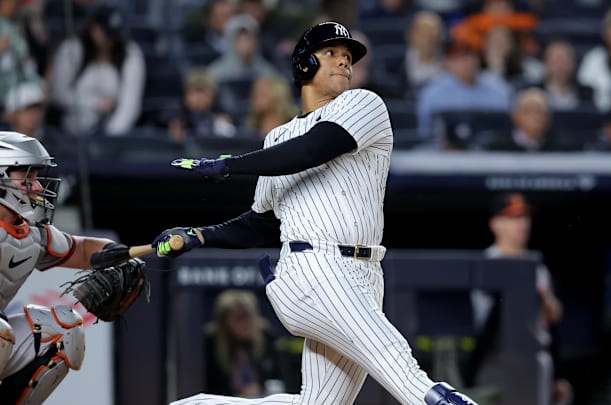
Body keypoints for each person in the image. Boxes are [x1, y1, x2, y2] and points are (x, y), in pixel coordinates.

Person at [153, 21, 479, 405]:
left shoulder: (364, 104)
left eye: (347, 57)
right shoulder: (275, 139)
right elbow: (262, 220)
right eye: (331, 54)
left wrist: (231, 165)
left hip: (365, 275)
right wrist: (200, 235)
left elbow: (313, 148)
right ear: (304, 65)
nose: (343, 63)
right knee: (407, 375)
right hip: (314, 268)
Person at [0, 130, 138, 403]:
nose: (38, 187)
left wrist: (126, 256)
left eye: (36, 177)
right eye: (27, 178)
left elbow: (83, 249)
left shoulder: (32, 235)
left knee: (65, 329)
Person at [464, 192, 572, 405]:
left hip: (535, 358)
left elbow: (551, 321)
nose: (522, 224)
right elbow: (492, 322)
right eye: (513, 218)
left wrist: (558, 375)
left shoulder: (536, 265)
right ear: (496, 224)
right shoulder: (487, 263)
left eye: (524, 217)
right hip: (496, 360)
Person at [49, 3, 146, 137]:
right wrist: (95, 102)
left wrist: (111, 136)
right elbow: (58, 93)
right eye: (106, 34)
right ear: (94, 28)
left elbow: (130, 106)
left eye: (114, 35)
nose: (110, 40)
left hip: (111, 134)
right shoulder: (72, 48)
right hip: (69, 132)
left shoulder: (130, 53)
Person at [204, 290, 284, 397]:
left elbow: (278, 378)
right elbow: (211, 387)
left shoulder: (267, 337)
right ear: (224, 322)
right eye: (239, 319)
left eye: (249, 317)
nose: (246, 324)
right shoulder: (210, 343)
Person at [167, 67, 236, 142]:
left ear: (213, 96)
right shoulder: (177, 115)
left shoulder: (220, 113)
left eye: (204, 94)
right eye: (194, 94)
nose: (199, 99)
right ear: (186, 95)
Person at [244, 74, 296, 139]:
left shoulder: (293, 127)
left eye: (261, 93)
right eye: (254, 92)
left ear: (277, 95)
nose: (254, 97)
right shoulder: (251, 127)